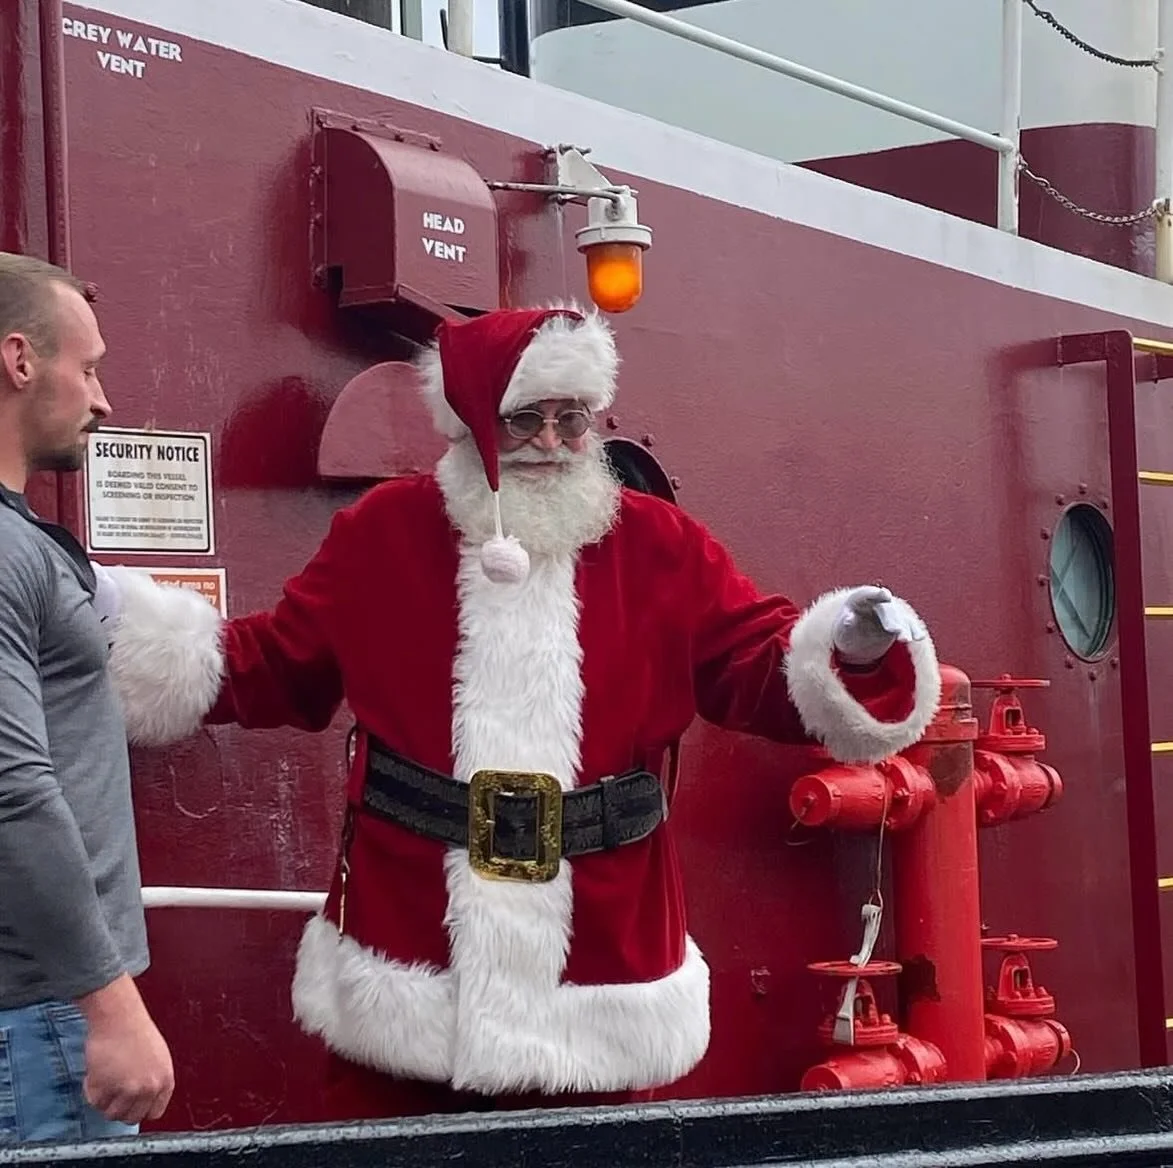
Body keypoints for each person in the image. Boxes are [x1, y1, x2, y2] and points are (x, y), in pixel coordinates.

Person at [96, 304, 942, 1120]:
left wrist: (850, 648)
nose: (551, 444)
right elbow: (278, 662)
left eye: (572, 420)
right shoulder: (383, 533)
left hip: (603, 963)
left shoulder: (658, 544)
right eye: (523, 420)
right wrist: (115, 627)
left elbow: (756, 667)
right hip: (411, 952)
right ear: (468, 423)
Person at [0, 252, 175, 1143]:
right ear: (20, 361)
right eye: (90, 366)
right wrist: (110, 1007)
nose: (103, 400)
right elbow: (11, 790)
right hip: (43, 1013)